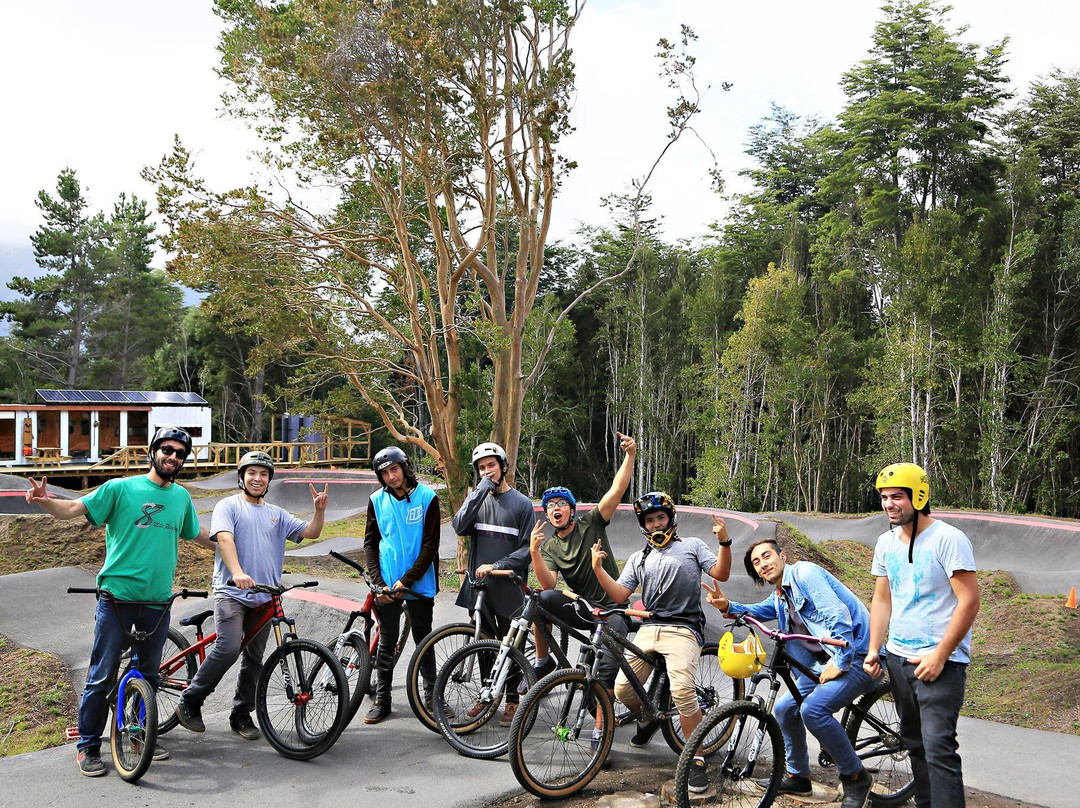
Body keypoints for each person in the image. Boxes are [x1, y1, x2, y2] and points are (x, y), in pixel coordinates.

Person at [25, 427, 212, 777]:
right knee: (101, 675)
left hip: (157, 602)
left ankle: (138, 738)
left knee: (149, 677)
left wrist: (230, 548)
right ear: (153, 451)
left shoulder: (182, 497)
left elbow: (197, 534)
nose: (173, 457)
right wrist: (45, 500)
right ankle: (88, 746)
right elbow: (73, 508)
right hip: (117, 598)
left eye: (180, 453)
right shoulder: (120, 488)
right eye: (167, 450)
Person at [703, 539, 876, 808]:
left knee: (813, 711)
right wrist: (728, 606)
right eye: (756, 563)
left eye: (766, 556)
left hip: (859, 656)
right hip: (820, 664)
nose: (762, 564)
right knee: (784, 710)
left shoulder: (804, 573)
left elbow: (836, 613)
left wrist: (840, 662)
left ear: (783, 556)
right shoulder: (781, 595)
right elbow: (762, 610)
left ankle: (856, 777)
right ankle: (798, 775)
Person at [174, 451, 328, 740]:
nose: (258, 478)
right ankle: (190, 700)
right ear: (242, 477)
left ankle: (241, 714)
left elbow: (311, 532)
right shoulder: (228, 506)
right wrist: (236, 571)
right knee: (229, 648)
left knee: (254, 660)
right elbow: (224, 539)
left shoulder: (276, 514)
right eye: (252, 473)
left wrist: (319, 511)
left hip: (265, 597)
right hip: (232, 593)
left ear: (269, 480)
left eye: (264, 474)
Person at [590, 491, 731, 793]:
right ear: (643, 525)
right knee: (622, 690)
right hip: (648, 629)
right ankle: (648, 718)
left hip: (683, 629)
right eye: (650, 520)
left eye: (660, 518)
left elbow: (722, 573)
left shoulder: (692, 546)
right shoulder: (639, 557)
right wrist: (599, 570)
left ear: (671, 519)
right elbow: (619, 595)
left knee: (682, 691)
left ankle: (696, 758)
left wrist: (724, 542)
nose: (656, 524)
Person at [864, 462, 980, 808]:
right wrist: (875, 649)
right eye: (884, 497)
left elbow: (969, 601)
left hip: (940, 663)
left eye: (897, 496)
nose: (889, 504)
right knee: (913, 743)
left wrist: (941, 655)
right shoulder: (885, 543)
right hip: (899, 659)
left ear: (919, 495)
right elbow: (882, 598)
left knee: (938, 748)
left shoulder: (948, 539)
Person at [527, 432, 636, 747]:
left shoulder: (592, 523)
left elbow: (616, 490)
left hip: (614, 609)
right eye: (551, 506)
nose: (556, 508)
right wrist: (534, 552)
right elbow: (549, 585)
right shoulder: (549, 546)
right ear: (547, 514)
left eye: (562, 504)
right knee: (541, 600)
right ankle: (544, 661)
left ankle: (601, 731)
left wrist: (629, 455)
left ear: (571, 510)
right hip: (586, 610)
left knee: (602, 671)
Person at [452, 441, 534, 726]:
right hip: (479, 588)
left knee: (511, 646)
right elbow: (460, 527)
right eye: (482, 468)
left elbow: (526, 550)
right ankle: (488, 697)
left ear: (503, 466)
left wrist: (498, 567)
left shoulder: (522, 504)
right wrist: (479, 493)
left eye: (491, 466)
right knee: (484, 644)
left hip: (508, 586)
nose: (487, 472)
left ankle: (512, 700)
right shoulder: (476, 497)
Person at [361, 445, 441, 724]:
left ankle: (432, 695)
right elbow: (370, 543)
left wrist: (406, 580)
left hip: (418, 582)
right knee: (387, 641)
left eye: (394, 469)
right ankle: (383, 699)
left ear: (404, 467)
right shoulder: (376, 500)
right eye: (384, 473)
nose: (391, 476)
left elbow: (431, 545)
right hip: (385, 583)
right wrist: (378, 581)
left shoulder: (427, 497)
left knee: (424, 639)